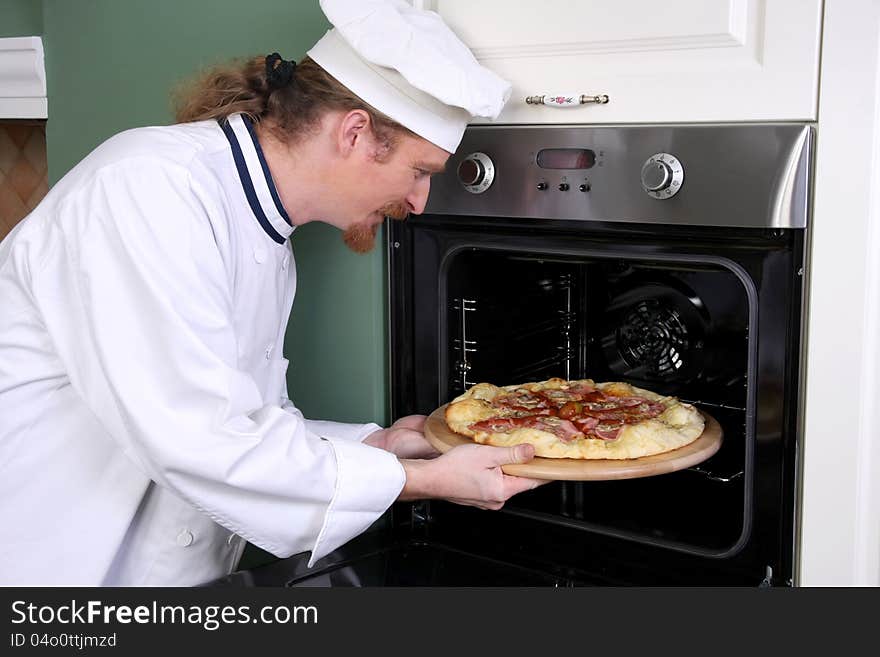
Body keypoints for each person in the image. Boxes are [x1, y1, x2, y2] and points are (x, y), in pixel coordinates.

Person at [0, 0, 544, 586]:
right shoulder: (147, 189)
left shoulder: (264, 235)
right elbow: (196, 439)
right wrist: (419, 481)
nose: (419, 203)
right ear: (355, 132)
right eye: (421, 171)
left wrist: (379, 447)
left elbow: (246, 421)